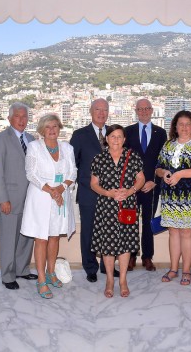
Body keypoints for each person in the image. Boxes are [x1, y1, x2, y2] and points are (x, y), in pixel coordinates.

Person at [20, 114, 77, 299]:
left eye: (55, 126)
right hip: (41, 197)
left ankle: (51, 272)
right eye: (48, 127)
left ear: (59, 128)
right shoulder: (34, 147)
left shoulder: (67, 148)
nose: (52, 130)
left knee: (54, 237)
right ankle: (41, 279)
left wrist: (60, 189)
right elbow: (31, 173)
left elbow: (73, 172)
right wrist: (51, 191)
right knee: (41, 239)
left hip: (60, 197)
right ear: (42, 130)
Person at [156, 111, 191, 286]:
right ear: (175, 127)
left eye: (188, 124)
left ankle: (186, 271)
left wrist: (180, 174)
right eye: (181, 124)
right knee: (173, 232)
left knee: (187, 233)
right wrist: (164, 173)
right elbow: (157, 168)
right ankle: (173, 269)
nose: (185, 127)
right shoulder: (168, 145)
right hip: (170, 197)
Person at [90, 124, 145, 297]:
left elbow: (141, 179)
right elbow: (93, 184)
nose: (116, 139)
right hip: (106, 207)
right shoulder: (99, 158)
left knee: (125, 244)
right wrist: (108, 193)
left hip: (127, 206)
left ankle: (122, 280)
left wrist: (130, 191)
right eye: (112, 136)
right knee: (107, 246)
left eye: (119, 136)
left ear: (124, 139)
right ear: (106, 139)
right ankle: (109, 280)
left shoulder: (133, 157)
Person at [70, 98, 119, 282]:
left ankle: (107, 266)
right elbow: (72, 163)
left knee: (109, 231)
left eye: (105, 110)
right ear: (91, 111)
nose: (101, 113)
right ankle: (90, 267)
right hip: (88, 193)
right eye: (98, 109)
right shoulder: (79, 135)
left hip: (111, 194)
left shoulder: (115, 134)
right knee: (89, 231)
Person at [0, 102, 37, 290]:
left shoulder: (32, 139)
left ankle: (22, 269)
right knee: (9, 238)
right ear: (9, 118)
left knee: (27, 236)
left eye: (24, 116)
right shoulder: (0, 139)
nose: (21, 120)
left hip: (31, 198)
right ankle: (8, 275)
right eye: (17, 116)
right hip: (10, 198)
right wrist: (2, 199)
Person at [124, 98, 167, 272]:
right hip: (132, 187)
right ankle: (132, 255)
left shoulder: (160, 133)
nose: (143, 111)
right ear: (136, 111)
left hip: (151, 185)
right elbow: (124, 160)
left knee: (148, 223)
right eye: (140, 109)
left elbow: (163, 161)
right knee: (131, 222)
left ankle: (147, 256)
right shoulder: (128, 131)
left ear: (151, 110)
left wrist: (154, 182)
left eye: (146, 108)